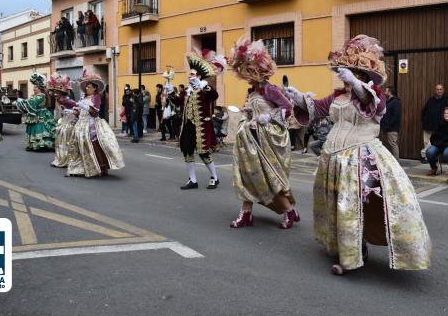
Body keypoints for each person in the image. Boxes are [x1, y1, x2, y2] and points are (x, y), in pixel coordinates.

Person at [284, 35, 430, 275]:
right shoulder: (337, 96)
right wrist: (297, 97)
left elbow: (371, 103)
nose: (347, 76)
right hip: (333, 158)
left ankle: (353, 256)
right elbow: (317, 109)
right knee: (339, 205)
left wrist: (357, 83)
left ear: (363, 75)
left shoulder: (374, 95)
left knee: (353, 206)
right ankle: (349, 249)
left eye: (353, 72)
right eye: (346, 71)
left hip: (361, 158)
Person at [228, 37, 299, 229]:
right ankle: (246, 214)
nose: (247, 77)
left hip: (266, 139)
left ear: (259, 71)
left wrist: (267, 117)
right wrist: (248, 113)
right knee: (248, 175)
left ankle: (289, 211)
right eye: (245, 73)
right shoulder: (252, 92)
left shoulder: (271, 90)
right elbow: (252, 111)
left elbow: (288, 108)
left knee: (267, 177)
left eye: (250, 72)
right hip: (250, 139)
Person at [171, 52, 222, 189]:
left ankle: (214, 177)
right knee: (187, 151)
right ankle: (193, 180)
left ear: (199, 77)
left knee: (203, 152)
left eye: (192, 74)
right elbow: (178, 101)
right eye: (189, 74)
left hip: (201, 126)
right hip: (187, 126)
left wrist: (201, 85)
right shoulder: (187, 91)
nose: (189, 76)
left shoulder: (205, 88)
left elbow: (214, 95)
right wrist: (170, 91)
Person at [66, 71, 125, 177]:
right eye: (86, 87)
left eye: (89, 87)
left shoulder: (96, 97)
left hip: (91, 124)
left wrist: (86, 107)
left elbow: (94, 113)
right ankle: (80, 168)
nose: (87, 88)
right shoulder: (83, 98)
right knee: (78, 145)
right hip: (81, 125)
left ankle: (99, 168)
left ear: (94, 88)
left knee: (94, 144)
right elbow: (79, 112)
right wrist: (70, 111)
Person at [15, 73, 57, 151]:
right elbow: (30, 101)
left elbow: (32, 102)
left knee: (41, 128)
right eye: (34, 87)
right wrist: (20, 102)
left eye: (36, 87)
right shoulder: (36, 96)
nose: (34, 88)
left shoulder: (41, 96)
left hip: (41, 114)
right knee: (34, 128)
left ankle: (42, 144)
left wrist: (19, 101)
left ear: (40, 88)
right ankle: (34, 144)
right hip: (36, 114)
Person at [48, 74, 77, 168]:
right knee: (60, 138)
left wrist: (72, 113)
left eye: (58, 92)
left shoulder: (67, 100)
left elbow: (77, 107)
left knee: (65, 138)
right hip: (64, 121)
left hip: (70, 122)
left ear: (62, 93)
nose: (55, 94)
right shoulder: (60, 100)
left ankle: (67, 159)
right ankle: (62, 158)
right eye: (55, 92)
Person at [420, 84, 448, 162]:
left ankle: (427, 155)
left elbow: (447, 113)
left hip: (438, 127)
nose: (439, 91)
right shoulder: (431, 99)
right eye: (437, 89)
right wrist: (424, 120)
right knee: (426, 142)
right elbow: (424, 110)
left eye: (441, 89)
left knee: (432, 143)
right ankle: (427, 158)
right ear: (435, 90)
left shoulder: (446, 100)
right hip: (427, 125)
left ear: (443, 90)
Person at [381, 86, 401, 160]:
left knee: (393, 144)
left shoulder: (395, 102)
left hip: (392, 128)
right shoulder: (388, 101)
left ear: (390, 92)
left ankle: (396, 162)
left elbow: (396, 115)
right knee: (388, 144)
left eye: (386, 91)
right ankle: (390, 161)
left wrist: (388, 125)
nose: (384, 92)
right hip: (386, 128)